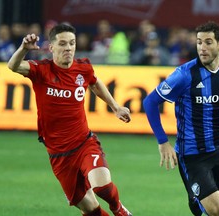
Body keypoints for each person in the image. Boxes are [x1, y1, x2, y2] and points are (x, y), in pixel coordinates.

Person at [7, 23, 132, 216]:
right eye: (63, 44)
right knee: (90, 209)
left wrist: (115, 106)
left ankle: (119, 209)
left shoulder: (82, 68)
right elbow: (13, 66)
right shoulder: (41, 71)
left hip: (84, 143)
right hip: (59, 154)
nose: (68, 48)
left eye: (72, 43)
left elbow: (95, 82)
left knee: (102, 187)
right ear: (52, 47)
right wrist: (24, 49)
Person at [143, 21, 219, 216]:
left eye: (208, 42)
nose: (202, 47)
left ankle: (199, 197)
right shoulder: (184, 75)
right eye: (199, 42)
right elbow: (150, 102)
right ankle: (197, 199)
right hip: (193, 153)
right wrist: (163, 142)